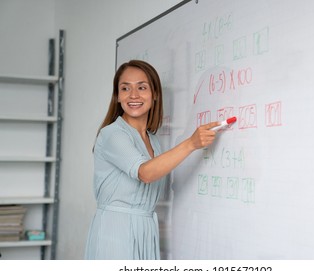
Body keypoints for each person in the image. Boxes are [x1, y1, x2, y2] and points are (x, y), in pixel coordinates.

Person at [84, 60, 219, 259]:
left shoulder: (154, 141)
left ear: (154, 94)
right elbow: (145, 173)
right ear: (117, 96)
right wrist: (191, 143)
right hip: (115, 229)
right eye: (125, 88)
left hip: (146, 228)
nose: (133, 95)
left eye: (142, 87)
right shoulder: (112, 134)